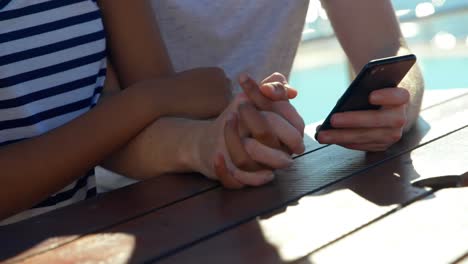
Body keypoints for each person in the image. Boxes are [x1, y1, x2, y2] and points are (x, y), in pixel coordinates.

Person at [0, 0, 297, 224]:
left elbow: (118, 128)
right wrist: (150, 99)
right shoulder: (149, 98)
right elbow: (139, 107)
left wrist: (217, 141)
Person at [97, 0, 425, 190]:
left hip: (266, 178)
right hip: (126, 195)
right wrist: (211, 139)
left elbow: (388, 49)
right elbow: (121, 106)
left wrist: (396, 102)